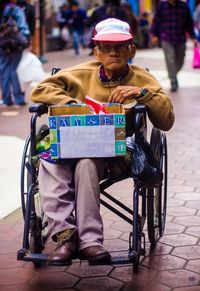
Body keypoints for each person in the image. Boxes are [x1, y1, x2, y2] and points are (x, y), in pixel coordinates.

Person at [30, 18, 175, 266]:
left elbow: (166, 121)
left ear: (132, 49)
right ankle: (65, 235)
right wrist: (71, 105)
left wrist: (142, 94)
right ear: (96, 51)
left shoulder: (142, 79)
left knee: (87, 161)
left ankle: (90, 242)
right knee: (48, 155)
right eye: (105, 47)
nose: (113, 52)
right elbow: (40, 91)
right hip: (73, 142)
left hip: (117, 151)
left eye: (120, 46)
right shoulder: (78, 73)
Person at [150, 0, 198, 92]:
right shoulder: (161, 5)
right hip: (166, 38)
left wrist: (193, 37)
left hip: (180, 38)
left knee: (180, 61)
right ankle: (173, 81)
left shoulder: (183, 6)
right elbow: (156, 20)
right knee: (170, 60)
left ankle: (172, 74)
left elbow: (189, 23)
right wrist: (154, 34)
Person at [0, 0, 30, 107]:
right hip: (15, 44)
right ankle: (18, 99)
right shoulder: (15, 10)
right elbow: (23, 28)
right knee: (14, 69)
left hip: (2, 44)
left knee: (3, 70)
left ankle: (6, 99)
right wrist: (26, 41)